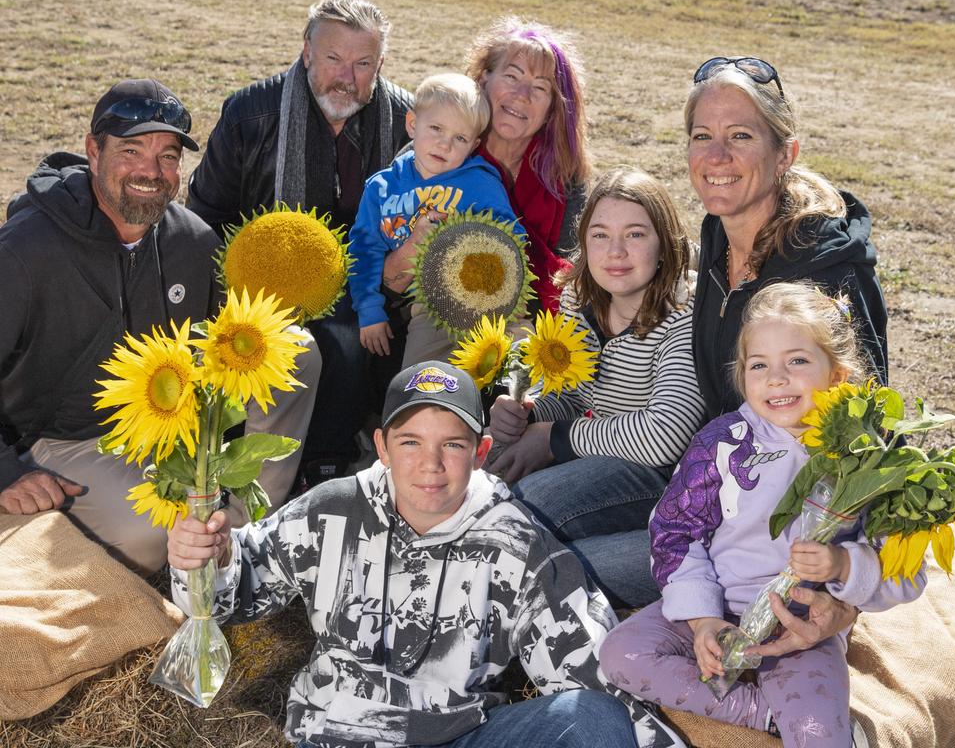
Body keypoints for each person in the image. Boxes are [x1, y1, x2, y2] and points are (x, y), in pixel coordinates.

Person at [167, 360, 683, 748]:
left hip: (459, 734)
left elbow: (588, 671)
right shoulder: (333, 511)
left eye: (453, 445)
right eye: (410, 443)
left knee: (594, 719)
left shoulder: (517, 543)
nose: (430, 465)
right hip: (343, 733)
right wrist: (206, 556)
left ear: (481, 453)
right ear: (383, 447)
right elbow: (239, 591)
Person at [0, 79, 318, 573]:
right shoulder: (23, 250)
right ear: (92, 150)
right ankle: (180, 539)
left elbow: (226, 337)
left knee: (294, 347)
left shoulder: (192, 241)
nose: (151, 172)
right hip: (67, 438)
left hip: (172, 422)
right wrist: (6, 472)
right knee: (153, 534)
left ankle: (240, 534)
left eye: (168, 156)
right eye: (131, 150)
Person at [600, 282, 925, 748]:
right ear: (741, 375)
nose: (776, 378)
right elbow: (673, 531)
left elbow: (905, 566)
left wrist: (844, 566)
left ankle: (805, 722)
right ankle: (762, 715)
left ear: (838, 374)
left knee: (819, 734)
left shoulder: (869, 453)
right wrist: (700, 619)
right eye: (759, 365)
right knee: (620, 654)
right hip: (721, 602)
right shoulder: (723, 442)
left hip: (802, 628)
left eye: (797, 361)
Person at [187, 0, 414, 487]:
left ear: (381, 64)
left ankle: (325, 464)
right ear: (307, 52)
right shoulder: (251, 114)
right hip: (258, 284)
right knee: (326, 340)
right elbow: (207, 214)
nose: (345, 77)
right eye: (333, 59)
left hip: (364, 279)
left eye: (362, 64)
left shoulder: (403, 121)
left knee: (349, 337)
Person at [486, 168, 704, 608]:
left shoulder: (683, 315)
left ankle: (511, 604)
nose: (616, 252)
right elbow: (576, 396)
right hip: (601, 454)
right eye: (600, 235)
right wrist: (530, 411)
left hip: (665, 479)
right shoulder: (579, 300)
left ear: (664, 242)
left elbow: (666, 436)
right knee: (488, 473)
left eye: (636, 234)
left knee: (533, 501)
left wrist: (552, 439)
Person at [685, 56, 889, 421]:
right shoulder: (717, 231)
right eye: (703, 136)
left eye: (740, 136)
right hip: (714, 460)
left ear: (784, 155)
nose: (716, 156)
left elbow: (863, 427)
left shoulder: (827, 271)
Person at [382, 17, 590, 316]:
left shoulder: (565, 178)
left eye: (540, 88)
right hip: (424, 319)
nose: (522, 96)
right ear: (483, 79)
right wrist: (412, 248)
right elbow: (381, 280)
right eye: (512, 77)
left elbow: (572, 280)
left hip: (530, 326)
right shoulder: (427, 155)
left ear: (552, 111)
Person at [348, 73, 527, 369]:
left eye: (460, 138)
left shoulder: (479, 183)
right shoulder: (381, 189)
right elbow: (363, 253)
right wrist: (370, 311)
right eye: (436, 128)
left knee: (521, 361)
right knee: (421, 376)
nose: (445, 145)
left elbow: (513, 241)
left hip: (488, 302)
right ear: (412, 124)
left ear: (474, 145)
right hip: (430, 307)